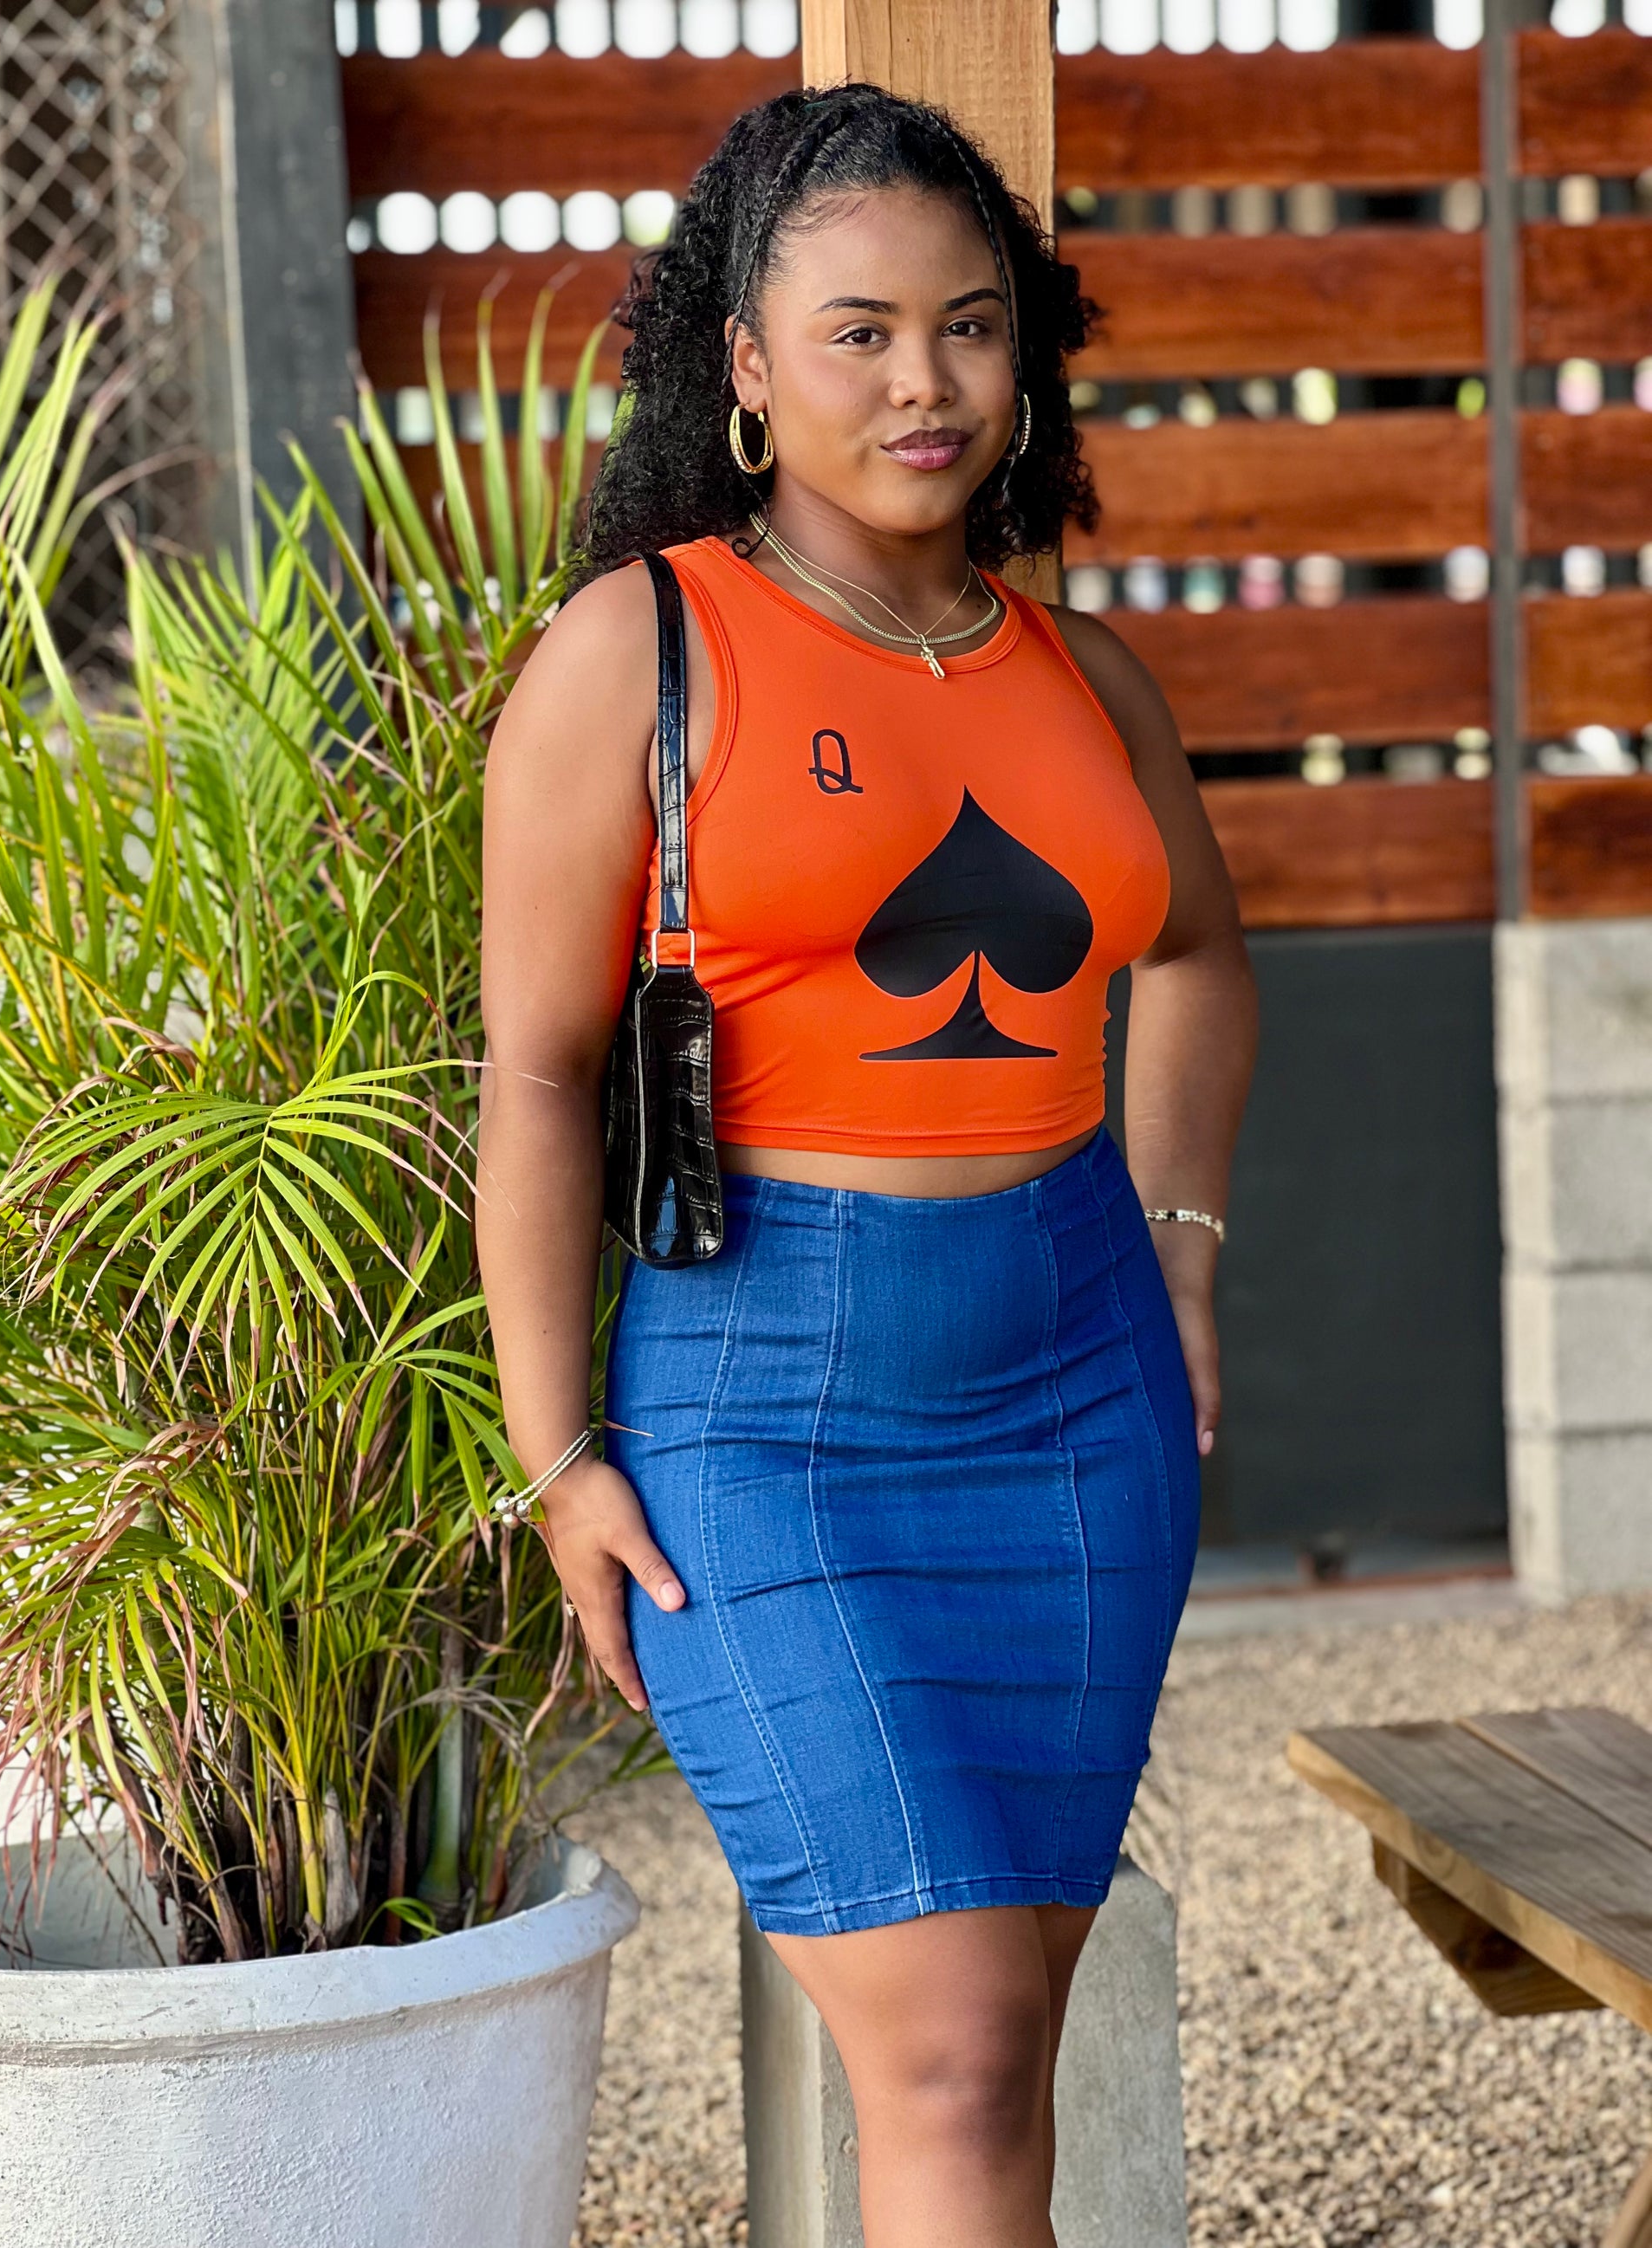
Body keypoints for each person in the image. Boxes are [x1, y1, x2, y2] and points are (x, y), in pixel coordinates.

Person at [476, 82, 1256, 2248]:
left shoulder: (1083, 675)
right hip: (768, 1410)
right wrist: (559, 1455)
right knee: (956, 2051)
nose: (926, 382)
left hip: (1079, 1390)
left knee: (1006, 2052)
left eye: (970, 326)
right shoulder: (638, 650)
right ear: (743, 361)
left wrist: (1180, 1246)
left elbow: (1199, 957)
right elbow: (534, 1074)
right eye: (860, 332)